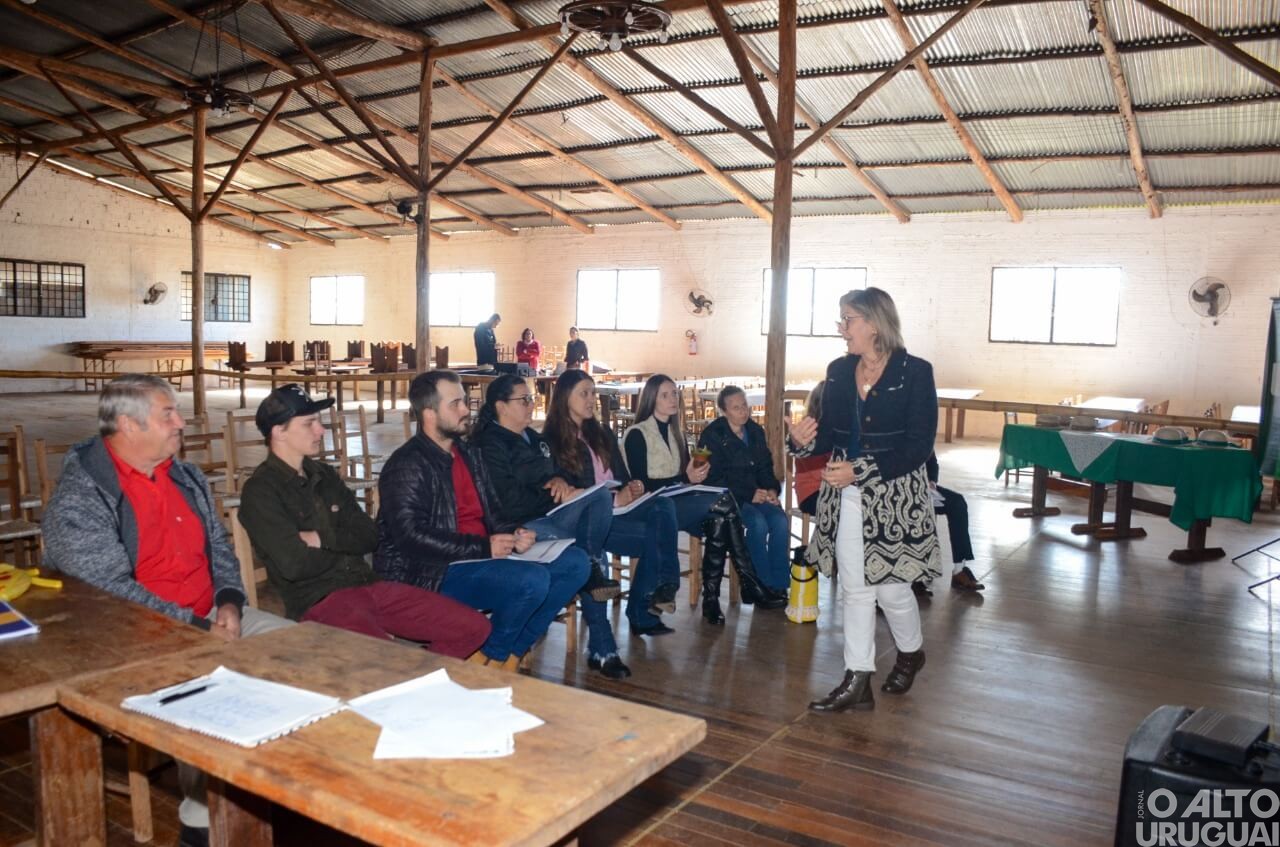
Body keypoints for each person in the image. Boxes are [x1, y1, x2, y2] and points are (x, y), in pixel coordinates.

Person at [41, 373, 292, 847]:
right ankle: (202, 829)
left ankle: (294, 803)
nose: (182, 422)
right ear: (127, 425)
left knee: (305, 654)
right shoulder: (80, 497)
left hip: (211, 618)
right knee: (216, 720)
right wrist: (197, 628)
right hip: (137, 635)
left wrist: (230, 603)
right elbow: (110, 592)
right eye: (168, 414)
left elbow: (220, 547)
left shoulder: (184, 474)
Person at [239, 384, 491, 657]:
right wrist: (343, 543)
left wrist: (322, 539)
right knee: (391, 660)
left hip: (368, 584)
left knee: (474, 627)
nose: (321, 430)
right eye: (309, 423)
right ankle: (407, 681)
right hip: (321, 600)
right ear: (279, 431)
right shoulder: (261, 492)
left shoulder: (324, 475)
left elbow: (369, 536)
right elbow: (295, 565)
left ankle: (415, 681)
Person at [374, 370, 589, 671]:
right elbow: (410, 537)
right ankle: (491, 656)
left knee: (576, 563)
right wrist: (483, 547)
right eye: (455, 404)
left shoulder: (469, 454)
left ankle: (506, 653)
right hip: (432, 572)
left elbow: (494, 511)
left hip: (480, 556)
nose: (465, 411)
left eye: (464, 402)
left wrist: (514, 533)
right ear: (429, 414)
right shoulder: (408, 465)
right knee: (532, 581)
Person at [789, 287, 941, 714]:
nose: (841, 328)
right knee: (856, 589)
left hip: (894, 497)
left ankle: (911, 653)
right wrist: (801, 441)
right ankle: (858, 678)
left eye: (848, 319)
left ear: (873, 323)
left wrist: (863, 469)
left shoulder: (915, 372)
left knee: (892, 590)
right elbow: (831, 432)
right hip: (847, 493)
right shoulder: (838, 371)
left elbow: (919, 445)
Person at [474, 375, 631, 677]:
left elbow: (556, 475)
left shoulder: (534, 439)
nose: (532, 405)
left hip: (551, 516)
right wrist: (551, 491)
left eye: (532, 399)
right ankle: (603, 647)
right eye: (524, 400)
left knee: (597, 501)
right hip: (520, 527)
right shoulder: (490, 445)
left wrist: (562, 483)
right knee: (590, 556)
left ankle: (601, 635)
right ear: (501, 406)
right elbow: (507, 501)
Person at [624, 374, 786, 624]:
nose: (673, 399)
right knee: (731, 512)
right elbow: (641, 485)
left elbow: (695, 477)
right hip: (655, 507)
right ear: (651, 399)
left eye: (674, 394)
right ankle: (750, 583)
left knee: (724, 520)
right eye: (665, 395)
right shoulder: (638, 434)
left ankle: (713, 598)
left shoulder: (678, 433)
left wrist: (771, 488)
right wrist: (686, 477)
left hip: (682, 502)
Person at [543, 368, 684, 638]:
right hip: (589, 522)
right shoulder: (552, 440)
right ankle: (645, 609)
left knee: (664, 507)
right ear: (564, 397)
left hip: (621, 510)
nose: (591, 399)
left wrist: (632, 487)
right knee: (658, 539)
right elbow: (566, 489)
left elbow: (620, 476)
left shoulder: (602, 433)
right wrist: (611, 498)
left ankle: (664, 587)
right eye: (584, 393)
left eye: (593, 393)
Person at [697, 386, 790, 593]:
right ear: (723, 411)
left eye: (745, 406)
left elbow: (766, 467)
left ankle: (781, 584)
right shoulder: (711, 435)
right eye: (736, 407)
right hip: (729, 499)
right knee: (757, 524)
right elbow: (710, 479)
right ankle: (760, 584)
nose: (743, 411)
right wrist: (748, 494)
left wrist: (772, 489)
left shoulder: (756, 431)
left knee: (780, 521)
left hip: (758, 494)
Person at [921, 453, 985, 593]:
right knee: (918, 509)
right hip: (898, 489)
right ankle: (914, 575)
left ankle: (959, 569)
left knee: (957, 503)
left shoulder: (922, 432)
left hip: (922, 487)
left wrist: (931, 482)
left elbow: (931, 460)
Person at [793, 382, 829, 517]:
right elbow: (819, 473)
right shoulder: (807, 431)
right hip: (811, 493)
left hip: (835, 488)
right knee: (850, 505)